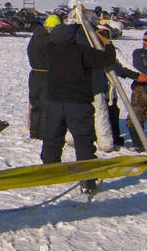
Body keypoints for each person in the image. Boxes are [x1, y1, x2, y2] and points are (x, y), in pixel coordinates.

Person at [41, 20, 117, 192]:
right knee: (83, 141)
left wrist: (75, 25)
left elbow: (59, 38)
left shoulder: (50, 50)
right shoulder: (81, 52)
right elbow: (106, 59)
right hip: (77, 103)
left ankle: (48, 171)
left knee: (52, 137)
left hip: (54, 102)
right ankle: (88, 180)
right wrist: (108, 44)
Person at [26, 15, 59, 140]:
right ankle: (44, 132)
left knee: (36, 104)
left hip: (34, 73)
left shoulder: (34, 38)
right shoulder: (49, 41)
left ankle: (34, 131)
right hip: (46, 74)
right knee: (46, 104)